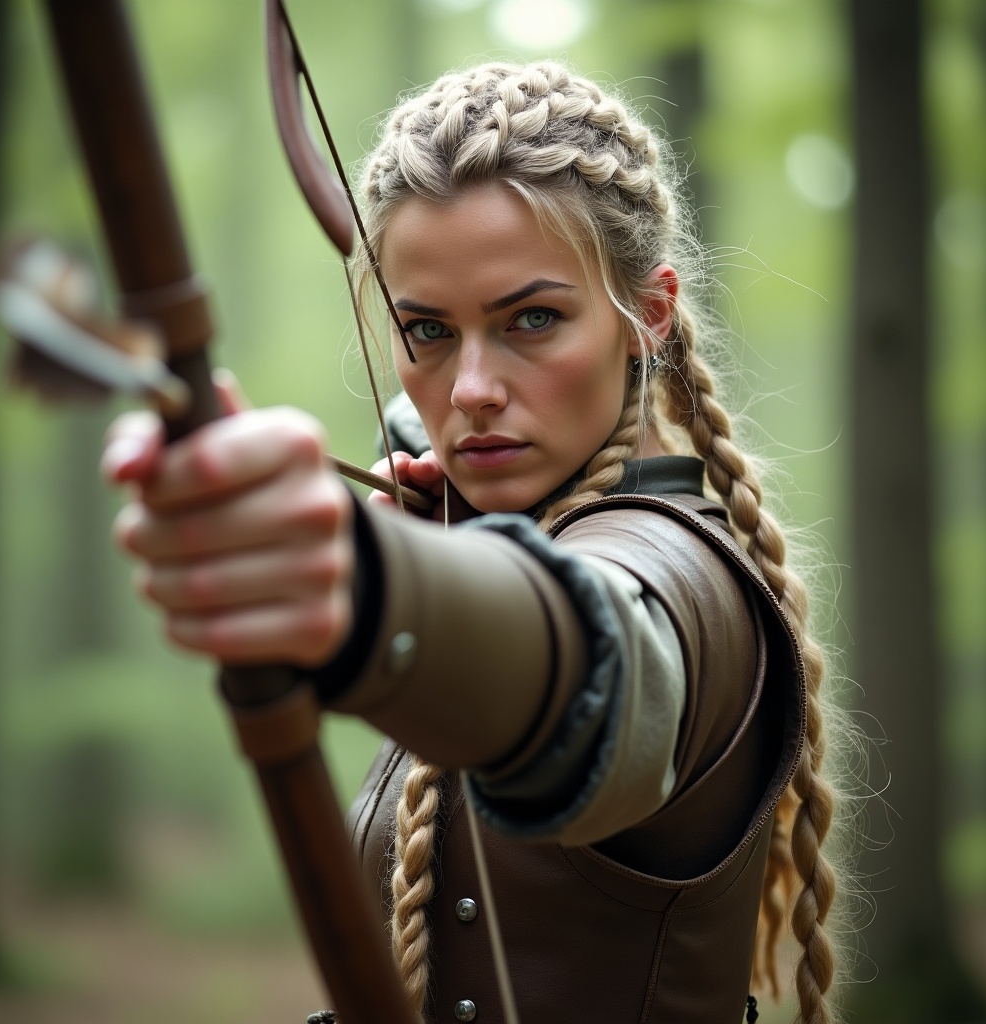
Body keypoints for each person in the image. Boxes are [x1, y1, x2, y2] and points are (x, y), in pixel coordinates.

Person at [102, 61, 839, 1024]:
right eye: (428, 330)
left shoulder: (691, 579)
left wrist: (367, 588)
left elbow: (599, 660)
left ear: (647, 315)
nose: (473, 388)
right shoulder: (461, 520)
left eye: (532, 319)